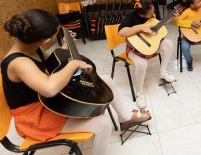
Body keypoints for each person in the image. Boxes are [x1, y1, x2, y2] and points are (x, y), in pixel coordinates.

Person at [1, 9, 151, 155]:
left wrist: (65, 46)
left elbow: (53, 63)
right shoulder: (18, 62)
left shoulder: (33, 47)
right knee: (103, 124)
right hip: (35, 116)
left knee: (105, 80)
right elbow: (49, 88)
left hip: (49, 102)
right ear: (46, 39)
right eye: (56, 34)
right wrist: (74, 64)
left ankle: (125, 119)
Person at [118, 0, 175, 109]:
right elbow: (121, 32)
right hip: (134, 49)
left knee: (168, 43)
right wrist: (141, 28)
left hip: (151, 47)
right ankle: (139, 92)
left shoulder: (151, 16)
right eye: (150, 13)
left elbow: (157, 24)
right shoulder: (131, 16)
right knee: (142, 63)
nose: (153, 14)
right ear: (142, 15)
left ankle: (162, 72)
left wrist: (170, 19)